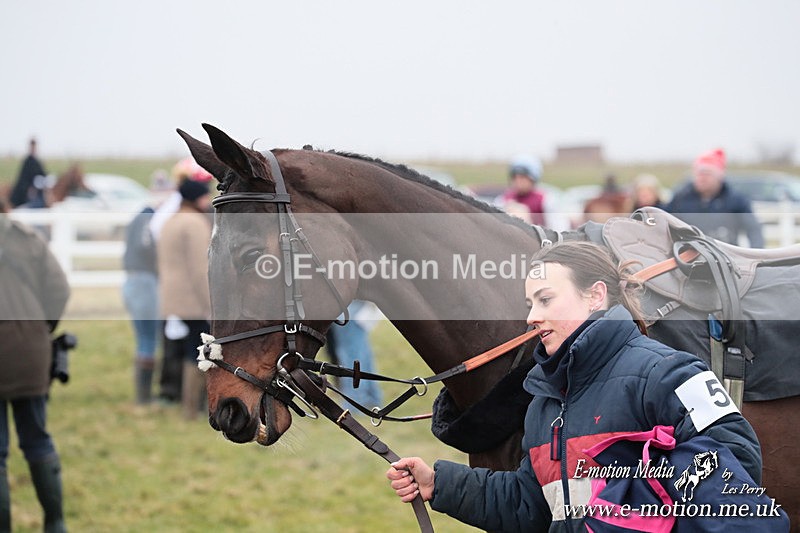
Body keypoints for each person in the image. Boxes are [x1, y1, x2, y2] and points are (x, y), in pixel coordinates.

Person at [387, 241, 762, 531]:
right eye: (530, 303)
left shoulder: (669, 373)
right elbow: (531, 505)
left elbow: (737, 472)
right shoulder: (544, 401)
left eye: (546, 299)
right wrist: (440, 484)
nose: (532, 317)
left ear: (595, 295)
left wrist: (626, 511)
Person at [0, 197, 71, 532]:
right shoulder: (25, 237)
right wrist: (41, 328)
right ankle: (55, 523)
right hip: (31, 349)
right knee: (38, 438)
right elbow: (59, 289)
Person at [151, 158, 212, 403]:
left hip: (171, 297)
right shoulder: (194, 224)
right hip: (192, 299)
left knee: (188, 347)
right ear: (197, 198)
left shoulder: (169, 221)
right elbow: (200, 269)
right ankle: (193, 403)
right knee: (201, 348)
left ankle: (186, 401)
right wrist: (210, 302)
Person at [666, 148, 764, 247]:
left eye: (707, 174)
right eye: (699, 174)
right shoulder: (681, 198)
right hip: (687, 256)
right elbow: (664, 222)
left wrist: (758, 255)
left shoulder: (736, 200)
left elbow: (753, 229)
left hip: (725, 255)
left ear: (719, 176)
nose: (702, 178)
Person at [122, 206, 159, 405]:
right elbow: (145, 246)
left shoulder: (138, 217)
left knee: (143, 339)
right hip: (145, 282)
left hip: (131, 282)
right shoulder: (149, 218)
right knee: (149, 339)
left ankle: (142, 395)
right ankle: (144, 397)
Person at [325, 300, 384, 410]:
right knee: (361, 350)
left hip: (347, 304)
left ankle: (355, 403)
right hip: (355, 304)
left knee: (350, 354)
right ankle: (372, 397)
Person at [501, 155, 546, 226]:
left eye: (522, 177)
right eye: (514, 177)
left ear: (533, 179)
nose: (517, 181)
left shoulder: (545, 200)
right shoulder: (504, 199)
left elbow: (557, 229)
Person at [9, 138, 48, 208]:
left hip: (39, 191)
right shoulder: (27, 162)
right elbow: (22, 179)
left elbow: (43, 174)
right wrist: (29, 189)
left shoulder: (38, 161)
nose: (33, 149)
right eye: (32, 147)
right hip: (27, 192)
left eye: (34, 147)